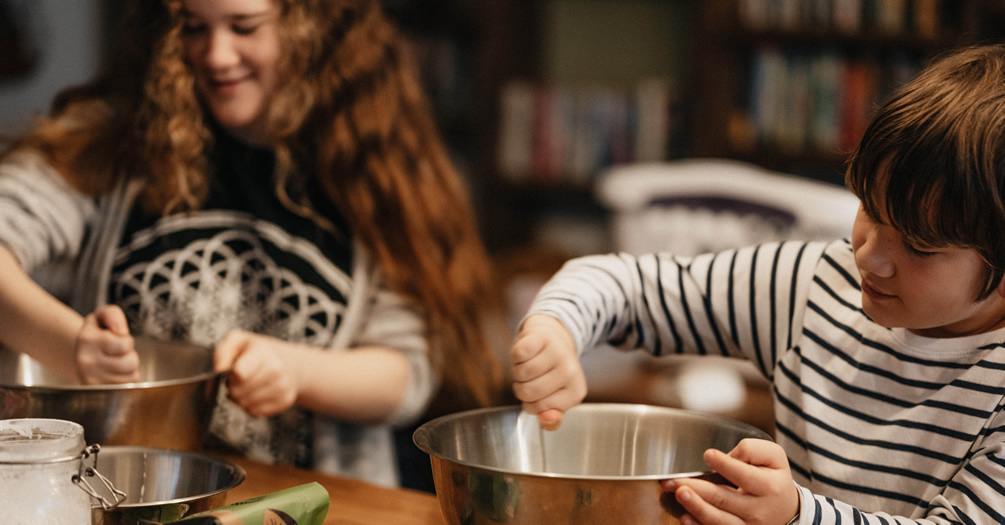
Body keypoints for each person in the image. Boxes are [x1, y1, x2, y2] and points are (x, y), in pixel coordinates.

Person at [0, 0, 504, 487]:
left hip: (306, 500)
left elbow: (405, 376)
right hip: (116, 492)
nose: (216, 55)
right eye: (193, 27)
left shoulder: (372, 168)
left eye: (245, 26)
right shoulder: (109, 142)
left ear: (311, 27)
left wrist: (295, 370)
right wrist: (72, 346)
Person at [510, 43, 1005, 525]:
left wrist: (796, 516)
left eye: (918, 246)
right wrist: (558, 327)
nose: (869, 256)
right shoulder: (813, 286)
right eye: (870, 210)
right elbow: (626, 285)